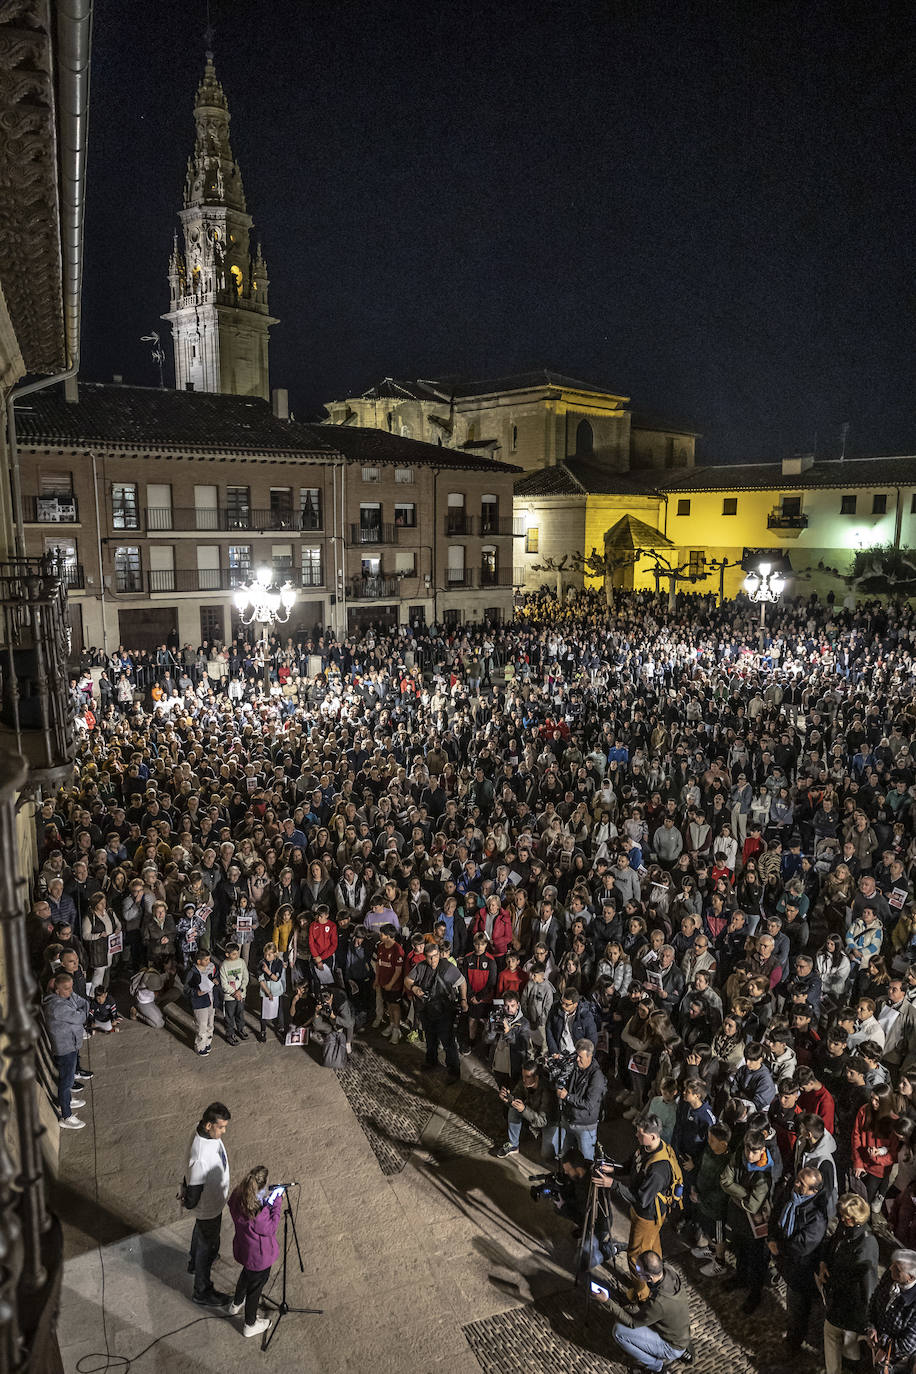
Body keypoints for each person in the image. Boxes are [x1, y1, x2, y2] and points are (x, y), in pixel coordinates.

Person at [608, 1114, 679, 1299]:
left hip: (648, 1215)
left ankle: (642, 1293)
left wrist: (612, 1184)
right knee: (653, 1247)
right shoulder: (646, 1148)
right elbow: (631, 1165)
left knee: (635, 1254)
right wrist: (612, 1169)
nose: (636, 1137)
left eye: (640, 1134)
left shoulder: (658, 1169)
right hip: (645, 1212)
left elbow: (641, 1199)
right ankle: (657, 1279)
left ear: (653, 1136)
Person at [597, 1250, 692, 1373]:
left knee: (619, 1331)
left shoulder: (659, 1303)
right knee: (633, 1311)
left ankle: (656, 1366)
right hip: (680, 1333)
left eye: (639, 1273)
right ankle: (680, 1349)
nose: (637, 1275)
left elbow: (632, 1323)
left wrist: (607, 1302)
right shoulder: (669, 1271)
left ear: (649, 1278)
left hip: (672, 1346)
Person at [767, 1166, 829, 1349]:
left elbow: (802, 1245)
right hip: (787, 1260)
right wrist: (772, 1237)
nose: (795, 1184)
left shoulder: (817, 1216)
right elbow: (776, 1212)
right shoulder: (792, 1193)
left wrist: (779, 1247)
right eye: (797, 1179)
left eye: (801, 1184)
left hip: (801, 1269)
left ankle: (794, 1342)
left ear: (813, 1191)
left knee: (797, 1308)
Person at [818, 1191, 879, 1374]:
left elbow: (868, 1284)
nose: (841, 1219)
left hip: (850, 1309)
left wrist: (868, 1321)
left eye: (845, 1217)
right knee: (833, 1338)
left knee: (849, 1350)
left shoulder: (867, 1243)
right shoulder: (845, 1229)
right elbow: (831, 1246)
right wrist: (823, 1263)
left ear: (855, 1218)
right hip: (836, 1302)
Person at [720, 1126, 776, 1314]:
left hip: (756, 1225)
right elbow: (724, 1180)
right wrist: (744, 1194)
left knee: (757, 1260)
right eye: (747, 1150)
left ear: (762, 1150)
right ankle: (740, 1278)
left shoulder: (763, 1173)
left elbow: (754, 1205)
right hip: (739, 1219)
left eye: (754, 1151)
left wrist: (734, 1192)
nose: (749, 1155)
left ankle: (755, 1293)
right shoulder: (739, 1155)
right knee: (740, 1251)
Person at [182, 1101, 232, 1308]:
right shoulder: (200, 1156)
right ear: (209, 1125)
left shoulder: (203, 1130)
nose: (224, 1131)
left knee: (201, 1235)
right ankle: (202, 1290)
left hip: (212, 1204)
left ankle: (195, 1262)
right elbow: (193, 1194)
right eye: (221, 1127)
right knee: (207, 1243)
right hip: (208, 1208)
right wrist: (192, 1202)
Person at [226, 1165, 283, 1339]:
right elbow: (271, 1227)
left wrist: (265, 1201)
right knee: (255, 1290)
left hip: (245, 1249)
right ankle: (250, 1324)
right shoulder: (258, 1214)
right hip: (260, 1257)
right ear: (261, 1187)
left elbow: (242, 1205)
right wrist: (276, 1202)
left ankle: (236, 1303)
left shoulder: (237, 1196)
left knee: (245, 1276)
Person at [403, 942, 466, 1079]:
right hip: (427, 1011)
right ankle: (431, 1061)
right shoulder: (421, 967)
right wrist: (414, 988)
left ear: (439, 954)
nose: (433, 960)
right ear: (425, 957)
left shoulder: (448, 967)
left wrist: (463, 1000)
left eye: (435, 956)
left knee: (448, 1042)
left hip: (445, 1012)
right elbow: (407, 980)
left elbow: (462, 982)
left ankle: (454, 1072)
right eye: (430, 957)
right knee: (430, 1039)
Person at [544, 1037, 606, 1161]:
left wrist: (567, 1096)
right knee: (565, 1156)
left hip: (585, 1125)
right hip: (568, 1119)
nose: (577, 1060)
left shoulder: (597, 1077)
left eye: (580, 1057)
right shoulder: (575, 1067)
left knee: (586, 1159)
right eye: (576, 1056)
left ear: (590, 1057)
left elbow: (589, 1104)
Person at [41, 971, 89, 1129]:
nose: (71, 991)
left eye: (71, 987)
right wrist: (80, 1013)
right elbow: (81, 1017)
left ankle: (66, 1100)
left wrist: (79, 1012)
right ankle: (66, 1116)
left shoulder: (66, 996)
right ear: (57, 990)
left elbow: (83, 1002)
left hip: (72, 1043)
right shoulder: (57, 1006)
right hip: (65, 1047)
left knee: (67, 1080)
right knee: (66, 1081)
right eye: (67, 988)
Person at [866, 1248, 916, 1374]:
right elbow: (873, 1302)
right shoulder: (889, 1277)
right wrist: (871, 1327)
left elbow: (908, 1344)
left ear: (911, 1277)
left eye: (897, 1269)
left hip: (897, 1360)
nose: (890, 1269)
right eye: (893, 1264)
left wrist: (883, 1346)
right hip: (878, 1350)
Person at [497, 1060, 554, 1160]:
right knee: (513, 1110)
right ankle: (513, 1145)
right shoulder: (524, 1082)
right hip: (532, 1113)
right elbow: (516, 1097)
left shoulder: (546, 1090)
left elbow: (543, 1121)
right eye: (523, 1076)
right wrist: (508, 1099)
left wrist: (524, 1110)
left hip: (548, 1122)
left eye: (527, 1077)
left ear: (536, 1077)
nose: (524, 1080)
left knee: (547, 1155)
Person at [185, 949, 219, 1056]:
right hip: (200, 1003)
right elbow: (186, 988)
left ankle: (207, 1042)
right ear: (199, 961)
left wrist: (216, 980)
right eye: (206, 960)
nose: (209, 961)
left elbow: (216, 976)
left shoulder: (211, 967)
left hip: (211, 1000)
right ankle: (200, 1046)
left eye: (209, 959)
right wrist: (196, 992)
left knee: (210, 1023)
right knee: (201, 1025)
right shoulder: (192, 972)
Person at [219, 942, 250, 1044]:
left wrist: (240, 990)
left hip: (241, 995)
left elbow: (245, 977)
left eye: (237, 953)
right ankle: (230, 1034)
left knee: (240, 1013)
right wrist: (234, 993)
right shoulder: (224, 965)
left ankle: (241, 1029)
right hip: (230, 997)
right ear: (227, 954)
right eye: (234, 954)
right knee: (229, 1016)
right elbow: (224, 984)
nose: (236, 955)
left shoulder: (241, 962)